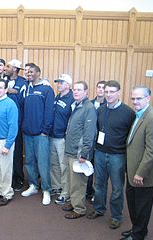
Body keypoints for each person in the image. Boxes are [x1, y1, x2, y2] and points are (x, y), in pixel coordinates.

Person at [87, 80, 135, 229]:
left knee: (117, 188)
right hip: (100, 153)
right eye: (106, 92)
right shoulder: (100, 110)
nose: (108, 95)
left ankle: (116, 216)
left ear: (119, 92)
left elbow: (132, 136)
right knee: (99, 185)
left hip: (117, 156)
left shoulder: (128, 113)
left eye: (112, 92)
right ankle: (99, 209)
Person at [120, 86, 153, 240]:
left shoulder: (152, 118)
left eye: (139, 98)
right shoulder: (139, 114)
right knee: (134, 205)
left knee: (142, 207)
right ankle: (137, 229)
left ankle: (138, 235)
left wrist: (140, 173)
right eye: (133, 98)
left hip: (142, 174)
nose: (135, 101)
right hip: (132, 171)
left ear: (148, 98)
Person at [62, 81, 97, 219]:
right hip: (70, 150)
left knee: (78, 183)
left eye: (79, 90)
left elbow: (89, 133)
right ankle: (73, 201)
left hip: (79, 153)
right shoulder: (77, 105)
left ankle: (79, 209)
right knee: (71, 180)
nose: (76, 92)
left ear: (86, 92)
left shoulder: (89, 108)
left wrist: (84, 153)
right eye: (74, 89)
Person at [21, 64, 54, 205]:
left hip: (41, 134)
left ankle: (46, 190)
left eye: (32, 71)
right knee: (29, 161)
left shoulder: (47, 89)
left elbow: (49, 111)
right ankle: (33, 185)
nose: (29, 74)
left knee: (43, 162)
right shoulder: (26, 89)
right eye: (28, 72)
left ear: (38, 73)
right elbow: (22, 108)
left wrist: (45, 130)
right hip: (27, 133)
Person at [49, 74, 74, 205]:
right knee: (54, 164)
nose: (59, 84)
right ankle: (56, 186)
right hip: (52, 136)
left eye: (61, 82)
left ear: (68, 85)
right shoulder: (57, 97)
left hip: (63, 138)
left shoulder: (72, 99)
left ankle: (65, 193)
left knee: (64, 166)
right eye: (58, 82)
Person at [4, 59, 28, 191]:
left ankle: (18, 179)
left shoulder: (23, 83)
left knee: (17, 153)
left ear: (15, 69)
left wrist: (15, 92)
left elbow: (25, 103)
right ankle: (7, 179)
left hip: (16, 124)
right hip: (3, 124)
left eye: (8, 67)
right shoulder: (3, 82)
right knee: (5, 152)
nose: (5, 69)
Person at [86, 80, 107, 200]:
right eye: (98, 87)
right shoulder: (90, 103)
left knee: (99, 170)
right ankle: (88, 190)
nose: (100, 89)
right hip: (89, 141)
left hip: (101, 142)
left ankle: (97, 194)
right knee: (88, 167)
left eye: (103, 88)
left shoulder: (107, 105)